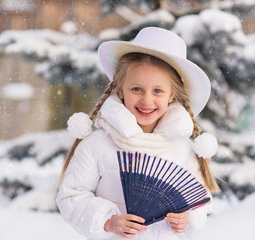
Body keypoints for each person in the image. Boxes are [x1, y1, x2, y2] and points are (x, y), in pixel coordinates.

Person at [56, 27, 219, 240]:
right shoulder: (97, 145)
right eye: (137, 89)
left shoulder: (183, 149)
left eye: (158, 91)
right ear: (120, 89)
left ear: (171, 96)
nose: (147, 100)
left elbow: (199, 200)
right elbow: (72, 197)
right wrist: (108, 221)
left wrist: (186, 218)